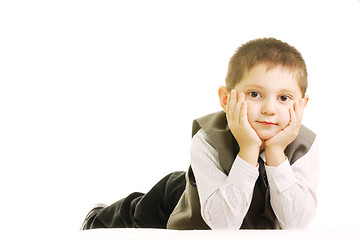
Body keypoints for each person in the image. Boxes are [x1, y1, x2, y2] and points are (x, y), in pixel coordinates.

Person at [80, 37, 319, 230]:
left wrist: (276, 152)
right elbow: (222, 226)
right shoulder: (208, 139)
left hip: (216, 192)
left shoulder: (304, 147)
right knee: (137, 212)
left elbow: (296, 225)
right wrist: (248, 150)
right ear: (226, 99)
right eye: (254, 94)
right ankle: (97, 217)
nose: (269, 109)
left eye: (284, 98)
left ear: (301, 105)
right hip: (182, 201)